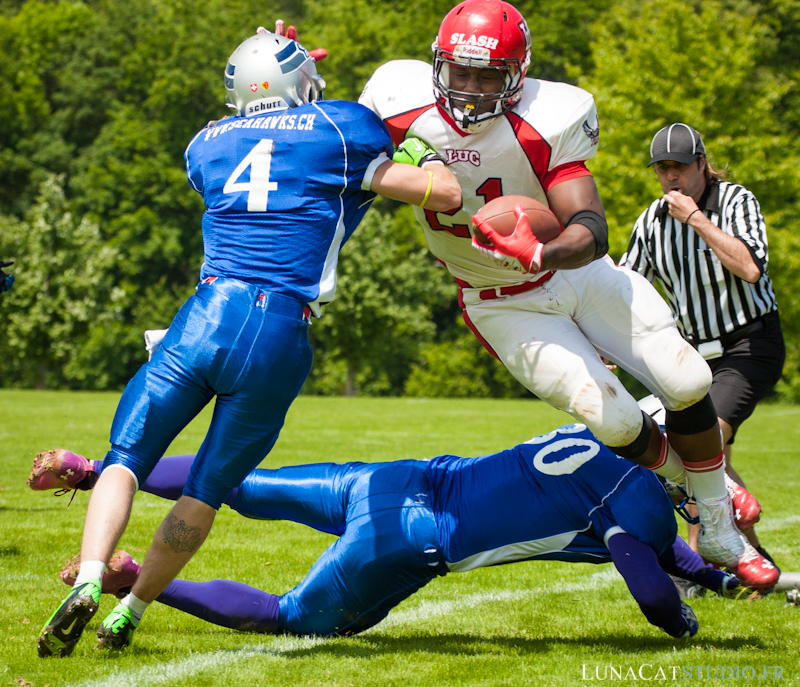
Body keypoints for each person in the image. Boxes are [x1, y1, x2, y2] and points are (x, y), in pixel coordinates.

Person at [36, 27, 461, 658]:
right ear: (304, 86)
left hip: (203, 316)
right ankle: (134, 605)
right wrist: (425, 156)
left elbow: (266, 159)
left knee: (125, 458)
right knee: (205, 490)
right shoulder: (342, 128)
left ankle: (93, 576)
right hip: (279, 330)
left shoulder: (206, 142)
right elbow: (445, 194)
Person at [358, 0, 776, 587]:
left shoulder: (553, 114)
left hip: (575, 275)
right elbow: (328, 139)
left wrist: (543, 252)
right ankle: (705, 492)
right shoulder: (394, 98)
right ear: (438, 66)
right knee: (612, 419)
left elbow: (590, 226)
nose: (472, 90)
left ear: (518, 74)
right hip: (501, 300)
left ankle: (715, 521)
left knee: (687, 380)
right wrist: (291, 77)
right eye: (461, 73)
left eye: (488, 76)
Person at [29, 413, 744, 641]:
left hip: (397, 477)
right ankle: (129, 576)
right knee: (289, 618)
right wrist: (685, 622)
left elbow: (655, 540)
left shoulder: (594, 430)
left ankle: (94, 471)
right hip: (413, 537)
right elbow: (649, 581)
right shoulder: (641, 499)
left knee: (234, 485)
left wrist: (711, 574)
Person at [621, 123, 785, 566]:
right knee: (709, 464)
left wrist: (695, 218)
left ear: (701, 164)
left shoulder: (735, 201)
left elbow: (750, 268)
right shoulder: (651, 221)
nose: (670, 178)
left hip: (749, 346)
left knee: (699, 448)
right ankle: (752, 562)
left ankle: (698, 562)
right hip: (694, 357)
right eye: (662, 169)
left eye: (679, 167)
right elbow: (626, 286)